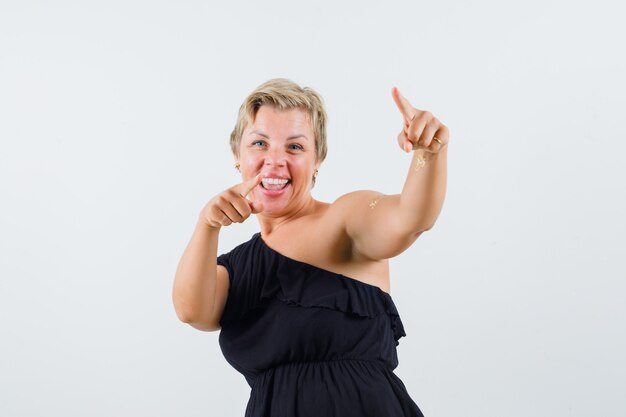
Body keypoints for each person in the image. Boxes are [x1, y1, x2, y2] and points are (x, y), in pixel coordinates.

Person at [172, 78, 449, 417]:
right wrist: (207, 224)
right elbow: (191, 311)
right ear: (237, 156)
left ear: (318, 159)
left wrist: (429, 153)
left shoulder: (344, 220)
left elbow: (410, 218)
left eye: (295, 147)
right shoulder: (236, 267)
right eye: (259, 143)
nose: (275, 161)